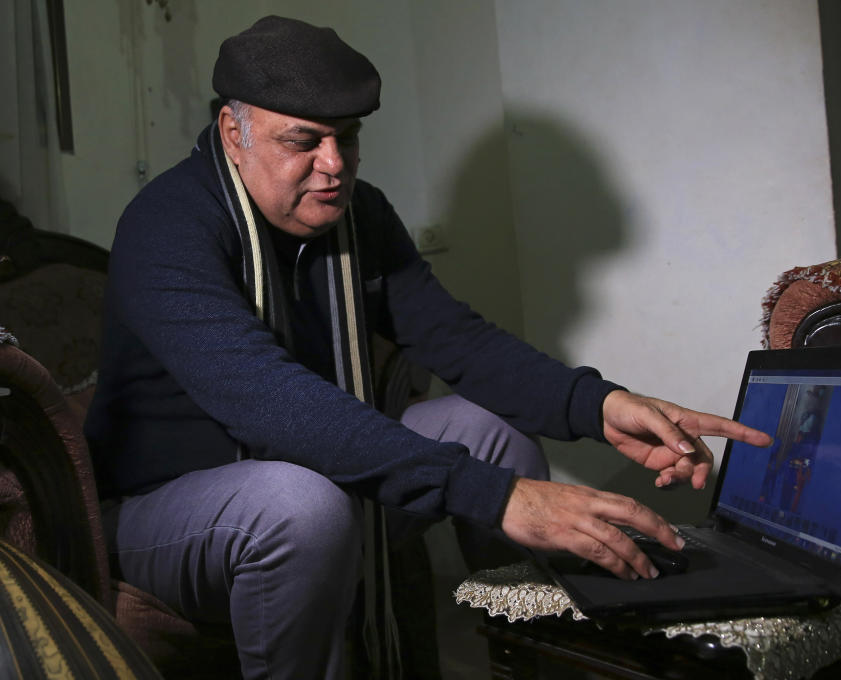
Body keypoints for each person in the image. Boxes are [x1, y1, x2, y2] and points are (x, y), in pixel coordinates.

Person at [84, 15, 771, 680]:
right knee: (300, 504)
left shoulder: (360, 215)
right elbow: (267, 401)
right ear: (233, 133)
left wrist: (600, 406)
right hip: (166, 511)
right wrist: (500, 498)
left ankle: (535, 659)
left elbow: (455, 338)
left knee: (489, 429)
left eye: (347, 139)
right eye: (304, 141)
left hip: (306, 466)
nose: (333, 166)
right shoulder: (167, 225)